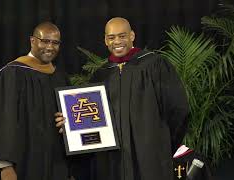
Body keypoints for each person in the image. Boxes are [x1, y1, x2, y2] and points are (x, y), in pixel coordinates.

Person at [55, 17, 189, 180]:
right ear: (105, 40)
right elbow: (88, 120)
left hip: (150, 159)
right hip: (112, 162)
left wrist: (162, 145)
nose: (117, 41)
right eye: (111, 37)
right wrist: (69, 123)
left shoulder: (155, 65)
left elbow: (178, 110)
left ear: (132, 36)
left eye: (122, 36)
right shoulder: (100, 75)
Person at [0, 22, 70, 180]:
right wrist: (5, 167)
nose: (50, 47)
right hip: (23, 165)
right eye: (45, 41)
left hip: (56, 165)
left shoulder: (60, 77)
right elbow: (1, 121)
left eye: (55, 43)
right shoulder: (11, 74)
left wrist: (68, 125)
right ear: (32, 41)